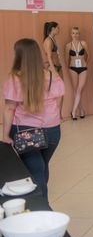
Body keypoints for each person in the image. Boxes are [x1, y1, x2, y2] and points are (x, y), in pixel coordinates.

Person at [2, 38, 65, 201]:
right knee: (42, 166)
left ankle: (42, 206)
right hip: (52, 130)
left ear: (18, 56)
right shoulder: (52, 76)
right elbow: (58, 100)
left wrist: (5, 135)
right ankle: (42, 201)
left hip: (26, 131)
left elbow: (9, 108)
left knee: (36, 169)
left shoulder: (15, 79)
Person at [65, 27, 88, 120]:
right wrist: (68, 68)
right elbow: (66, 59)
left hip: (83, 68)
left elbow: (89, 54)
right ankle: (81, 110)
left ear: (79, 34)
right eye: (73, 33)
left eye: (77, 33)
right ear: (71, 34)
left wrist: (85, 63)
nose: (75, 35)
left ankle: (73, 111)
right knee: (76, 91)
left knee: (79, 90)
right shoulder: (68, 45)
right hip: (73, 68)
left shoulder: (83, 43)